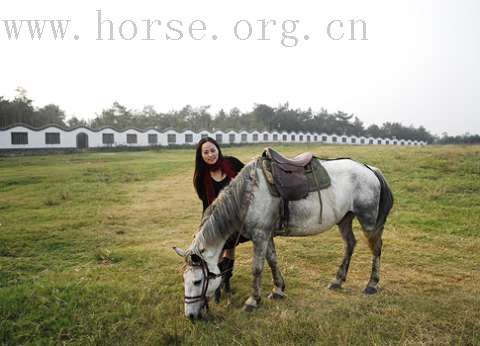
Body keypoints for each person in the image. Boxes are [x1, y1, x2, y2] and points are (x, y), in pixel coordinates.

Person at [193, 136, 248, 297]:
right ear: (201, 155)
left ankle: (227, 280)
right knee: (216, 252)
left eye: (212, 150)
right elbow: (206, 206)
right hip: (218, 220)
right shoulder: (201, 177)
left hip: (238, 217)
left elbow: (251, 177)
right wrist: (202, 227)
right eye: (206, 152)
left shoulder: (231, 163)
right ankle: (216, 286)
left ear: (218, 149)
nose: (210, 155)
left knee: (230, 249)